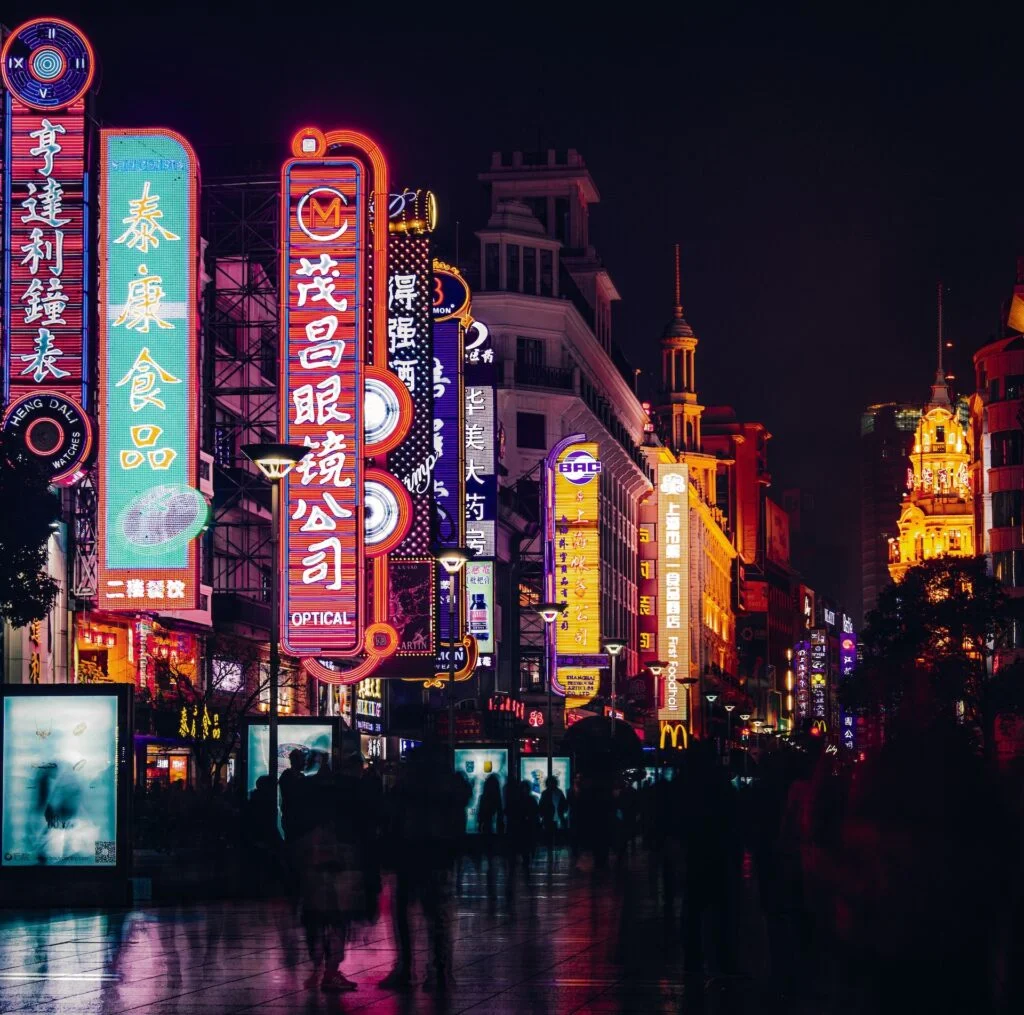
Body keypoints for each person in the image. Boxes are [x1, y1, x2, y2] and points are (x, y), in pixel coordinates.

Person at [539, 774, 568, 848]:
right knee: (553, 836)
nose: (551, 784)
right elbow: (564, 804)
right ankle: (553, 853)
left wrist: (541, 815)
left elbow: (541, 806)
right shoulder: (557, 792)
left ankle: (551, 853)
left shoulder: (546, 793)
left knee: (552, 837)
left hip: (552, 817)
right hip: (553, 817)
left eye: (551, 783)